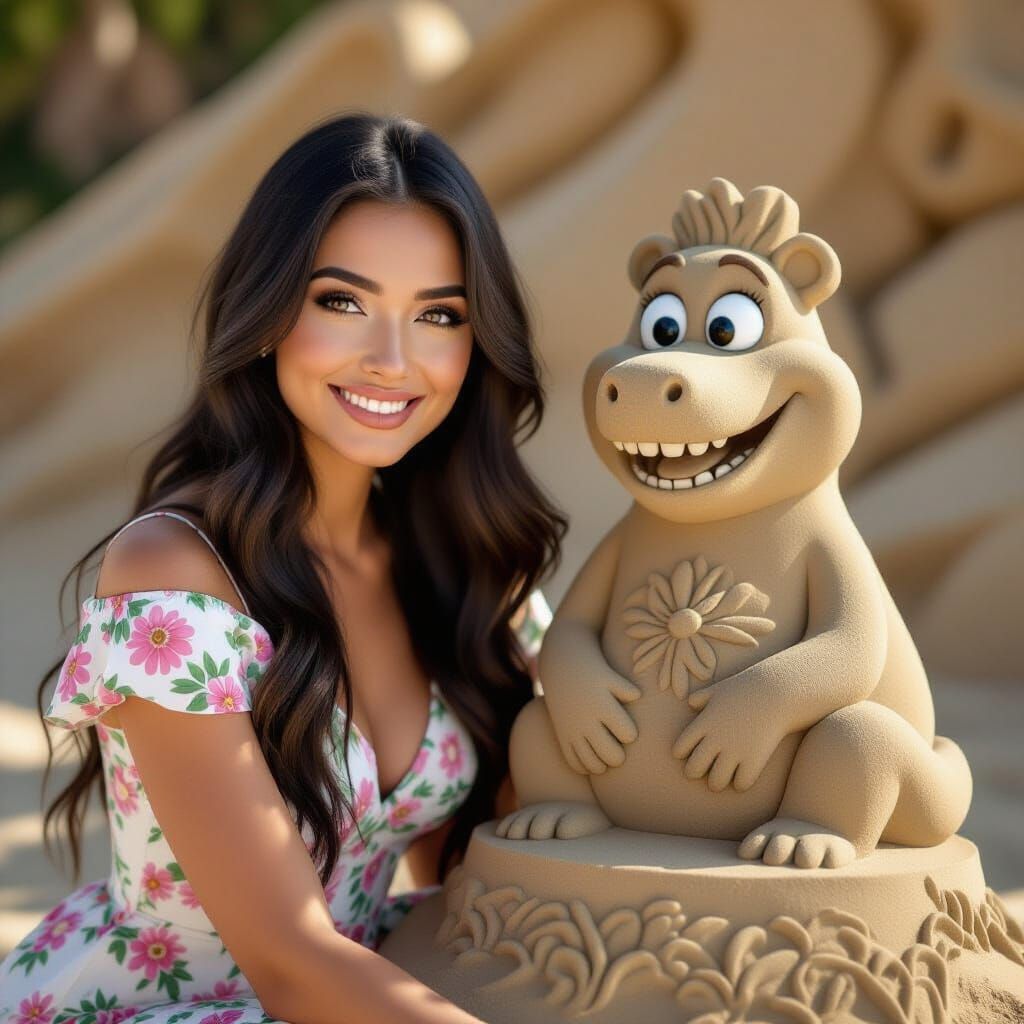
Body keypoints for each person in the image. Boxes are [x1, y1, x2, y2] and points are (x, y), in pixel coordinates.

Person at [0, 111, 565, 1022]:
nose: (391, 361)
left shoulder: (464, 566)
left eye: (438, 315)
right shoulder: (174, 577)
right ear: (267, 313)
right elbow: (289, 960)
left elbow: (468, 881)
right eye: (342, 302)